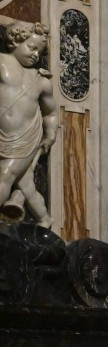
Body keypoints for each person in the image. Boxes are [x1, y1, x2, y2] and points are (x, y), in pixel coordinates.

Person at [0, 17, 57, 227]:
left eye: (39, 52)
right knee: (25, 185)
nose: (35, 54)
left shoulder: (41, 81)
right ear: (15, 41)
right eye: (32, 47)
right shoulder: (1, 63)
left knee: (5, 175)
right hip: (2, 135)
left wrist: (50, 135)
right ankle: (44, 219)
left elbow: (50, 113)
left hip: (25, 139)